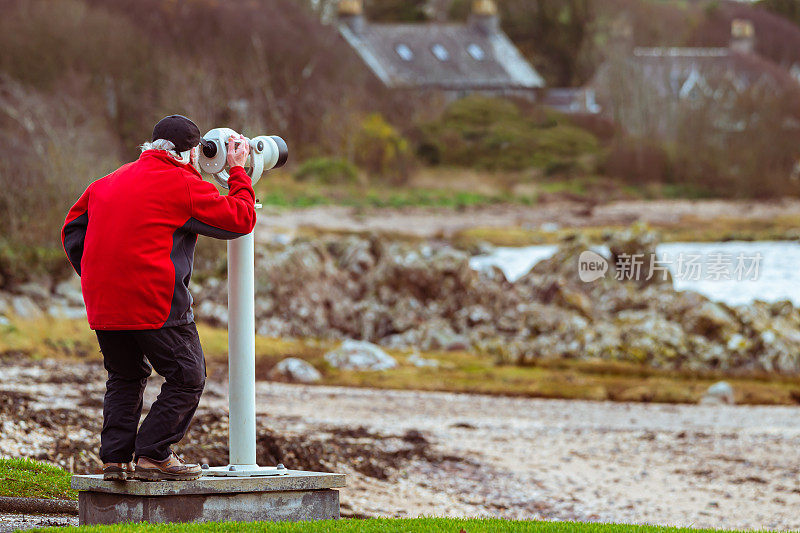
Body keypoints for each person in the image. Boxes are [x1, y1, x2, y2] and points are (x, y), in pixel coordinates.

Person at [61, 115, 256, 481]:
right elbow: (240, 218)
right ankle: (153, 454)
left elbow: (72, 226)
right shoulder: (181, 183)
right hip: (156, 304)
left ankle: (115, 460)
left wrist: (94, 275)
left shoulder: (105, 182)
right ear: (190, 153)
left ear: (153, 145)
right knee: (188, 376)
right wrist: (237, 171)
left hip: (104, 304)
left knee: (126, 375)